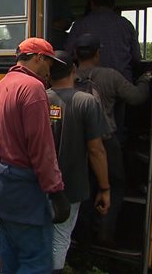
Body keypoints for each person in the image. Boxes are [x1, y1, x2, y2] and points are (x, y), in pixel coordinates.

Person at [0, 37, 70, 273]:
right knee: (35, 261)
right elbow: (42, 147)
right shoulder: (33, 89)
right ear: (38, 58)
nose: (49, 69)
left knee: (9, 256)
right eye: (49, 63)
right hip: (23, 190)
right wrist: (56, 190)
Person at [74, 33, 152, 246]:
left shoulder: (69, 77)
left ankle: (83, 236)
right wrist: (145, 80)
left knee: (85, 188)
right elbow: (136, 97)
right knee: (114, 185)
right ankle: (106, 231)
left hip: (78, 144)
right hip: (106, 141)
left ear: (75, 54)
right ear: (98, 54)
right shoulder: (110, 75)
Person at [46, 50, 111, 272]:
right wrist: (104, 187)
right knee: (61, 237)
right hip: (71, 186)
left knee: (40, 232)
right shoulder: (87, 102)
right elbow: (96, 150)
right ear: (74, 70)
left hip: (40, 183)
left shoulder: (39, 98)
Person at [67, 0, 141, 82]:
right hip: (123, 85)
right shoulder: (127, 25)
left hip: (89, 85)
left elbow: (68, 55)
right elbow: (136, 58)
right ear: (112, 4)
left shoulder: (79, 25)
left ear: (91, 3)